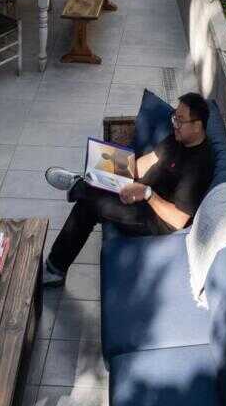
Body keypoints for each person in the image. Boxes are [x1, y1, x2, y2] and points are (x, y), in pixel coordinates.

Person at [39, 92, 215, 286]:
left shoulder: (198, 166)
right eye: (174, 118)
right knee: (97, 178)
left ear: (197, 126)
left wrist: (147, 194)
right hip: (138, 194)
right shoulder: (177, 140)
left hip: (154, 219)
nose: (175, 124)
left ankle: (79, 186)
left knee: (88, 205)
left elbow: (177, 220)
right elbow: (143, 165)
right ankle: (84, 182)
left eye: (180, 120)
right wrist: (107, 167)